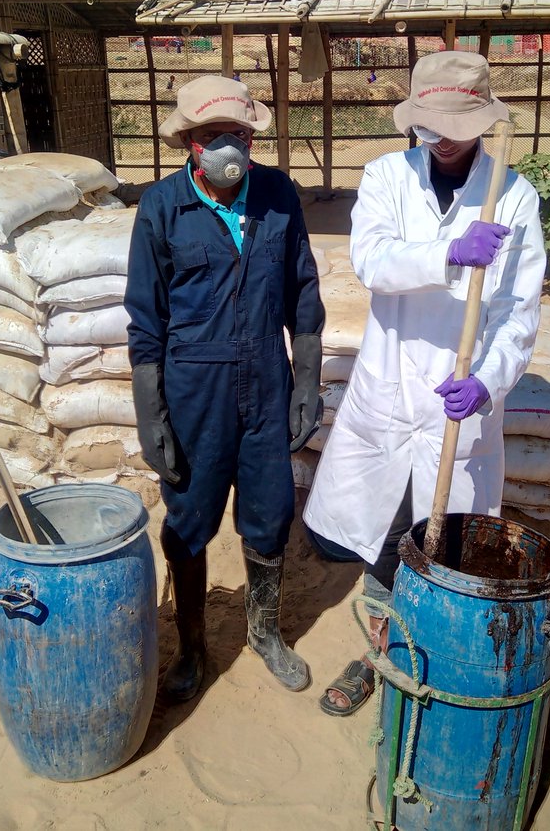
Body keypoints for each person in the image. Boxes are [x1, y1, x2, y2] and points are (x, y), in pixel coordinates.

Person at [303, 51, 546, 716]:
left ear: (483, 121)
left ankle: (430, 660)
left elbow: (518, 313)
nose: (439, 137)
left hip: (458, 401)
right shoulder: (385, 177)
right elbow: (372, 262)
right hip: (389, 396)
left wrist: (488, 382)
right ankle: (378, 655)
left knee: (446, 544)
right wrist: (447, 253)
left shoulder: (513, 197)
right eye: (427, 123)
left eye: (453, 124)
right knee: (384, 541)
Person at [125, 75, 325, 701]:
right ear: (188, 142)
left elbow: (304, 295)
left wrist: (307, 381)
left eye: (238, 135)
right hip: (194, 390)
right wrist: (151, 413)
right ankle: (191, 648)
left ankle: (264, 632)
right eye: (214, 137)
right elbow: (145, 319)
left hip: (266, 380)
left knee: (269, 514)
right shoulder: (162, 207)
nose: (230, 149)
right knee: (188, 518)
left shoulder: (278, 196)